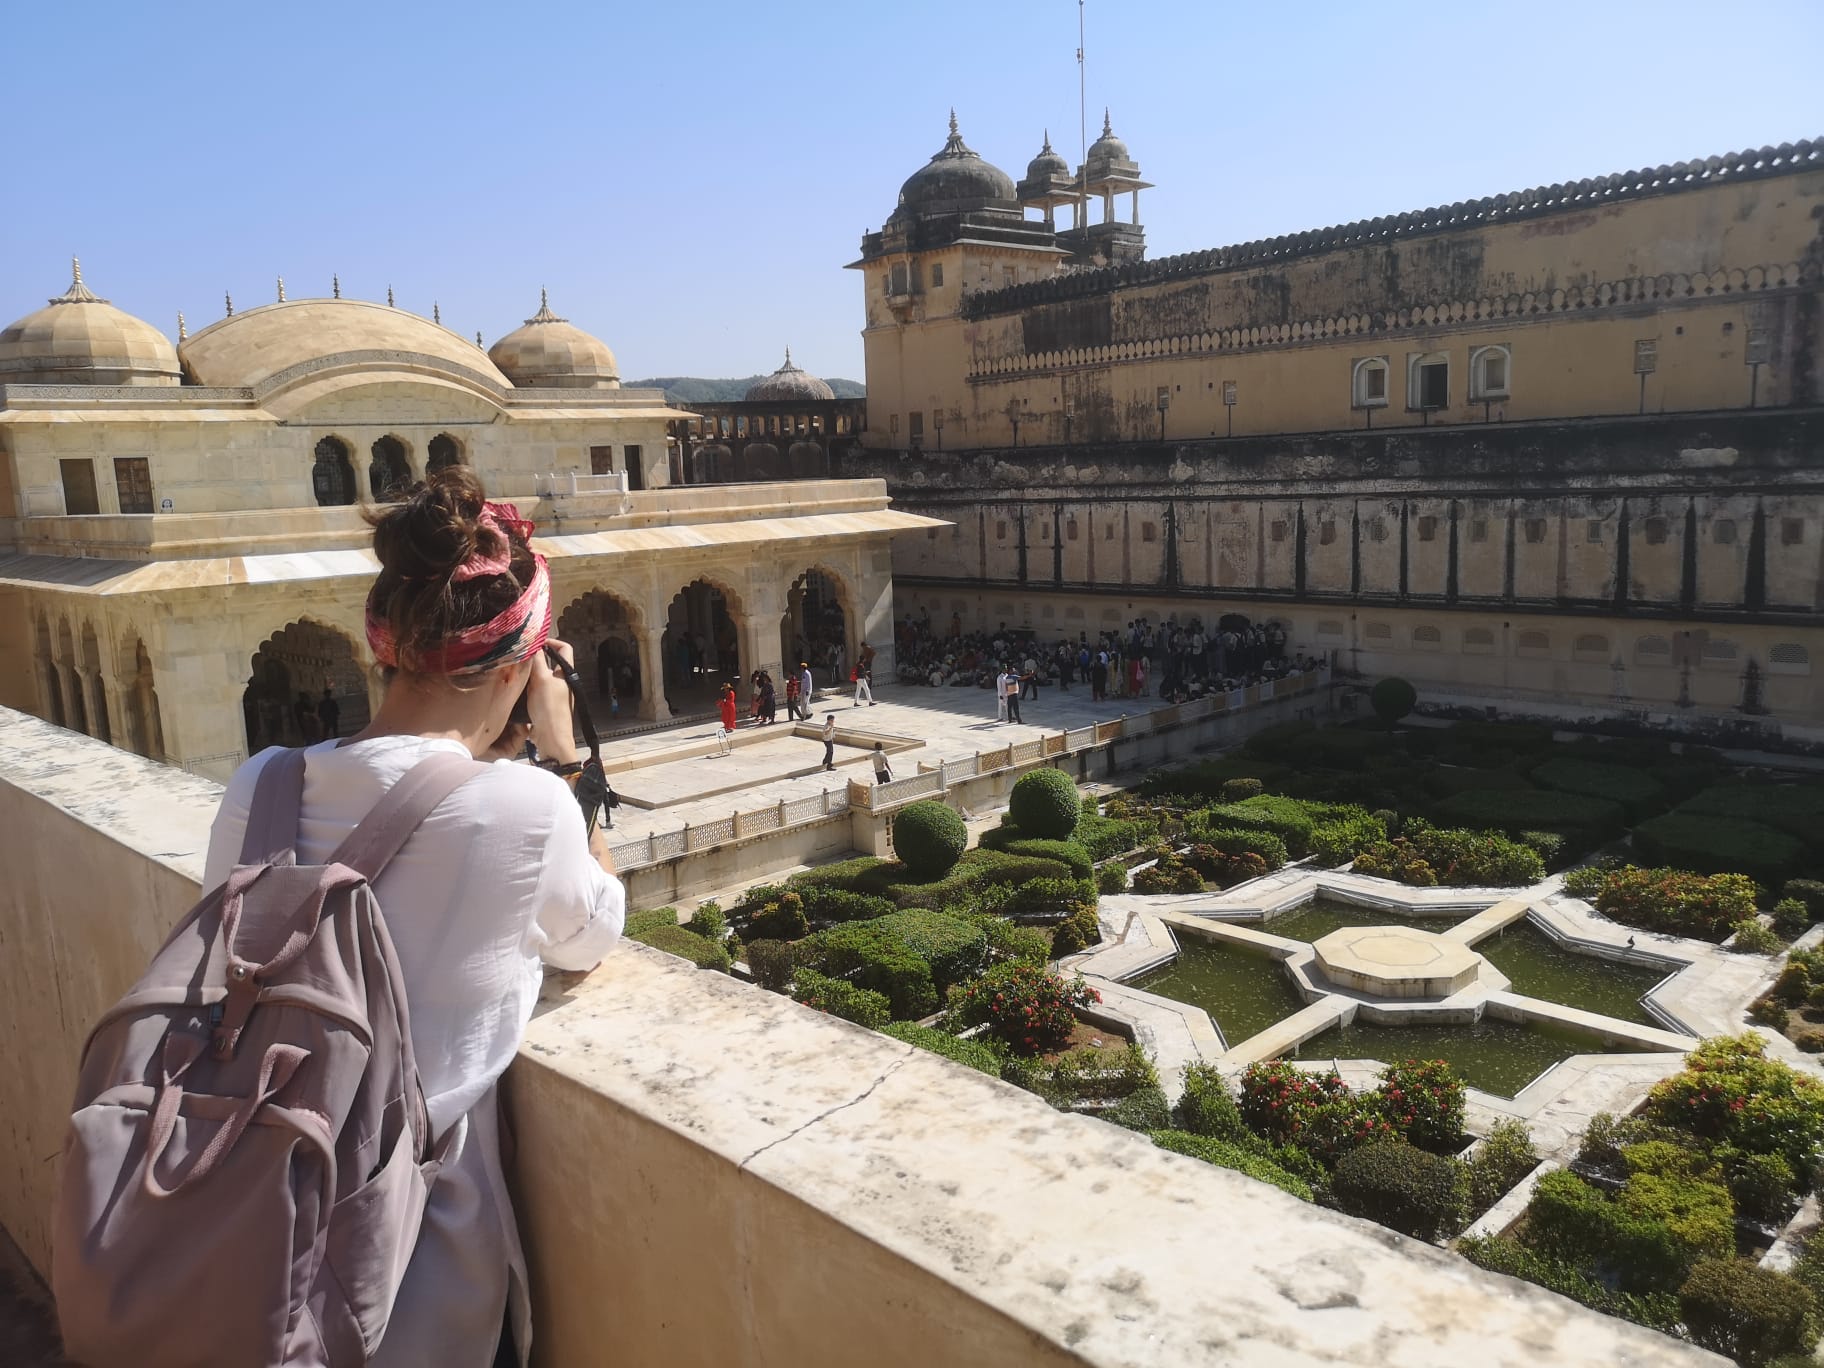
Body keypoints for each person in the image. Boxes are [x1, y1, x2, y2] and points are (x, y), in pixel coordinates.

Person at [200, 468, 623, 1368]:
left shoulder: (259, 782)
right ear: (521, 663)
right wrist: (565, 756)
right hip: (413, 1273)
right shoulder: (523, 807)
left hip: (238, 1223)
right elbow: (592, 934)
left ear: (381, 649)